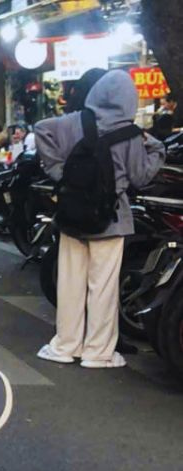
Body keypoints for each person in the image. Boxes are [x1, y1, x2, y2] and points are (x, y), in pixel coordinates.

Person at [35, 70, 166, 368]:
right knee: (103, 288)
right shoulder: (131, 134)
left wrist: (59, 173)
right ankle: (98, 353)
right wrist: (157, 148)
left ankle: (65, 346)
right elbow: (141, 177)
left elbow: (41, 129)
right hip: (111, 219)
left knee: (70, 284)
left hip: (72, 215)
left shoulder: (72, 122)